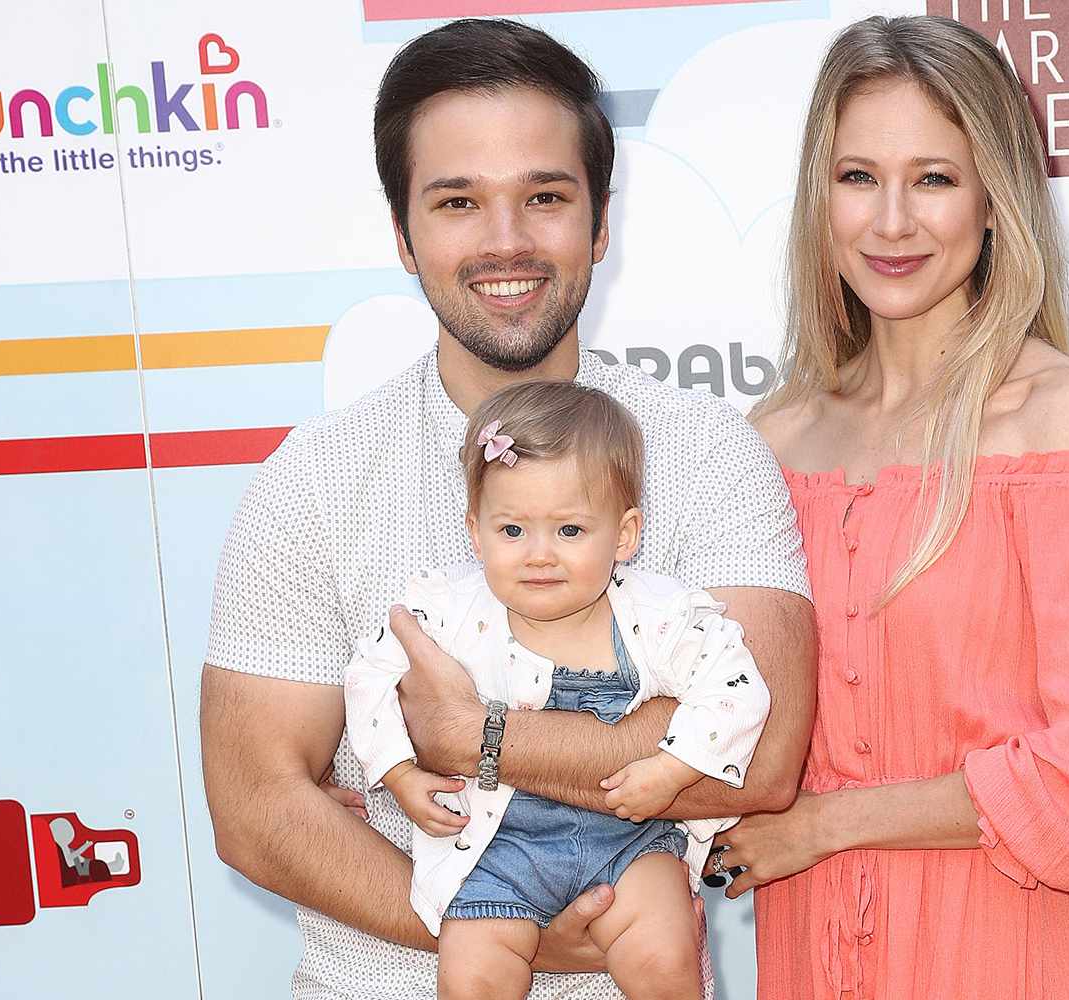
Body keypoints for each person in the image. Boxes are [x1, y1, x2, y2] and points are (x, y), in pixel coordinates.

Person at [199, 18, 815, 1000]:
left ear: (600, 222)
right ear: (402, 231)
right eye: (457, 201)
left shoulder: (704, 451)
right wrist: (494, 925)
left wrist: (471, 736)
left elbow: (765, 755)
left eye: (545, 197)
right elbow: (256, 803)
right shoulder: (313, 479)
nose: (507, 241)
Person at [712, 16, 1069, 999]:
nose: (893, 222)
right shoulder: (770, 439)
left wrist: (825, 824)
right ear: (817, 200)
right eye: (859, 176)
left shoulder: (1060, 417)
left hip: (998, 952)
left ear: (997, 199)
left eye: (936, 178)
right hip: (807, 956)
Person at [343, 381, 771, 1000]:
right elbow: (368, 677)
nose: (539, 556)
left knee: (664, 954)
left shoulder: (660, 615)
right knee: (471, 977)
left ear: (624, 535)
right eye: (512, 530)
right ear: (476, 529)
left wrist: (675, 769)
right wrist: (399, 774)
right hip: (494, 848)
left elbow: (736, 688)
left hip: (629, 843)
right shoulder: (448, 609)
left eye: (570, 531)